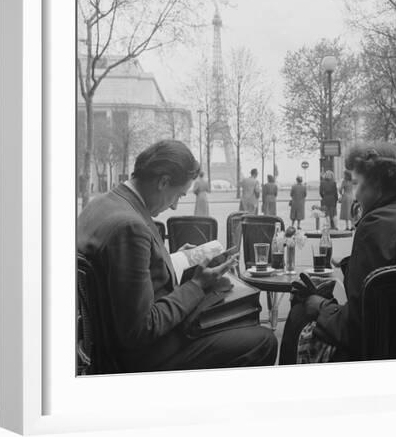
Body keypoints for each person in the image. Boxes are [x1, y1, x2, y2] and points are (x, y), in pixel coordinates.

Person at [77, 140, 277, 372]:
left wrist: (175, 258)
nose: (174, 207)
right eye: (178, 196)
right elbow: (141, 329)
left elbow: (122, 278)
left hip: (105, 343)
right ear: (163, 182)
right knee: (262, 339)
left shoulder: (102, 204)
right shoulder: (130, 227)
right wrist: (198, 285)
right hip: (142, 356)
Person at [279, 142, 396, 364]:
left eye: (357, 183)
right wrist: (349, 266)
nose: (354, 194)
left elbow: (356, 329)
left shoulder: (374, 225)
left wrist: (318, 304)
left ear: (378, 182)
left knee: (300, 312)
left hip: (369, 352)